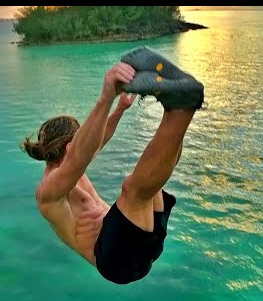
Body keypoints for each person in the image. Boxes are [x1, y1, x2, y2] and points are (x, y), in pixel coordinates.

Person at [21, 59, 198, 285]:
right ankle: (180, 110)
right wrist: (106, 97)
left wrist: (120, 109)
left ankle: (175, 113)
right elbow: (81, 154)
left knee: (154, 184)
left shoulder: (74, 169)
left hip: (139, 244)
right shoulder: (48, 192)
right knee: (132, 190)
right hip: (115, 261)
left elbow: (95, 142)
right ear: (70, 145)